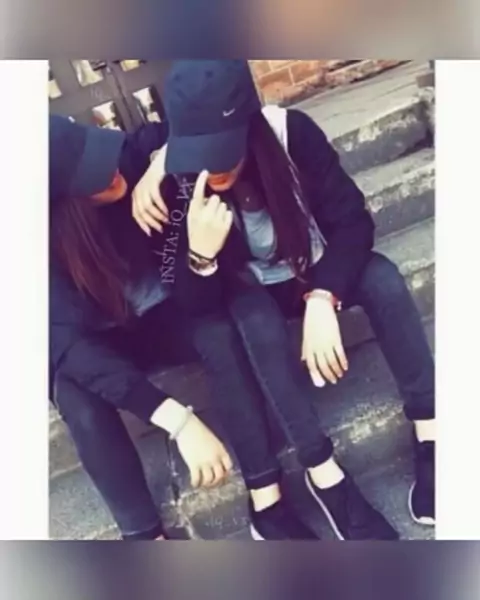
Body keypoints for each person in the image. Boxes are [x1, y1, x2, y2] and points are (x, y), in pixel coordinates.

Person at [132, 60, 435, 539]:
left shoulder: (292, 135)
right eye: (201, 152)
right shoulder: (180, 180)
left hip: (312, 266)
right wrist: (200, 256)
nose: (214, 168)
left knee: (383, 278)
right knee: (253, 321)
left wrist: (323, 296)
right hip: (250, 291)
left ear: (249, 125)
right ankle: (324, 473)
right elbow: (194, 306)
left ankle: (431, 434)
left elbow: (353, 221)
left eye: (223, 150)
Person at [49, 115, 234, 541]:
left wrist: (160, 163)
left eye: (98, 155)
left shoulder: (126, 160)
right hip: (96, 343)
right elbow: (73, 351)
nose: (110, 170)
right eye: (90, 175)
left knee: (221, 326)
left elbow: (194, 119)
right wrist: (180, 421)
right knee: (76, 395)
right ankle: (145, 536)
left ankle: (267, 480)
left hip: (160, 319)